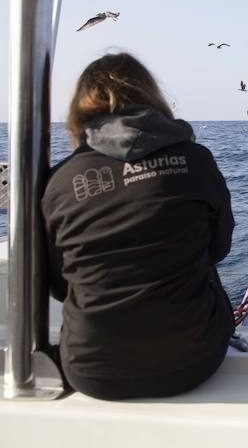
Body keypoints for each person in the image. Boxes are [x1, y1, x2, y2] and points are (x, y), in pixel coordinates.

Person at [42, 52, 235, 400]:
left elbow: (57, 283)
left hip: (93, 372)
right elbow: (218, 249)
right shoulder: (196, 161)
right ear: (150, 95)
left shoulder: (60, 180)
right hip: (195, 361)